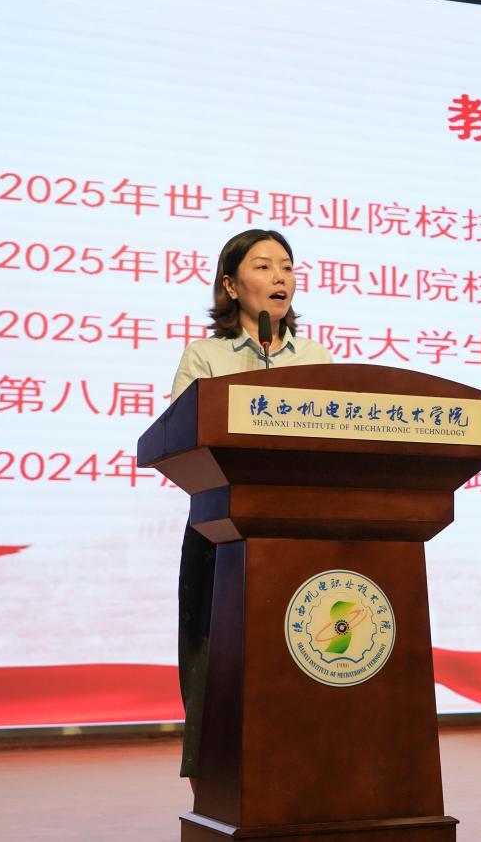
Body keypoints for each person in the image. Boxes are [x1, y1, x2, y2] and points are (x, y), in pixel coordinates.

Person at [171, 229, 332, 781]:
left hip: (298, 529)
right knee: (217, 654)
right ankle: (216, 776)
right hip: (220, 531)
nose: (279, 276)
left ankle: (300, 768)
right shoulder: (205, 356)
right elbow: (182, 440)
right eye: (262, 266)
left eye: (286, 266)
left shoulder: (315, 357)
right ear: (231, 286)